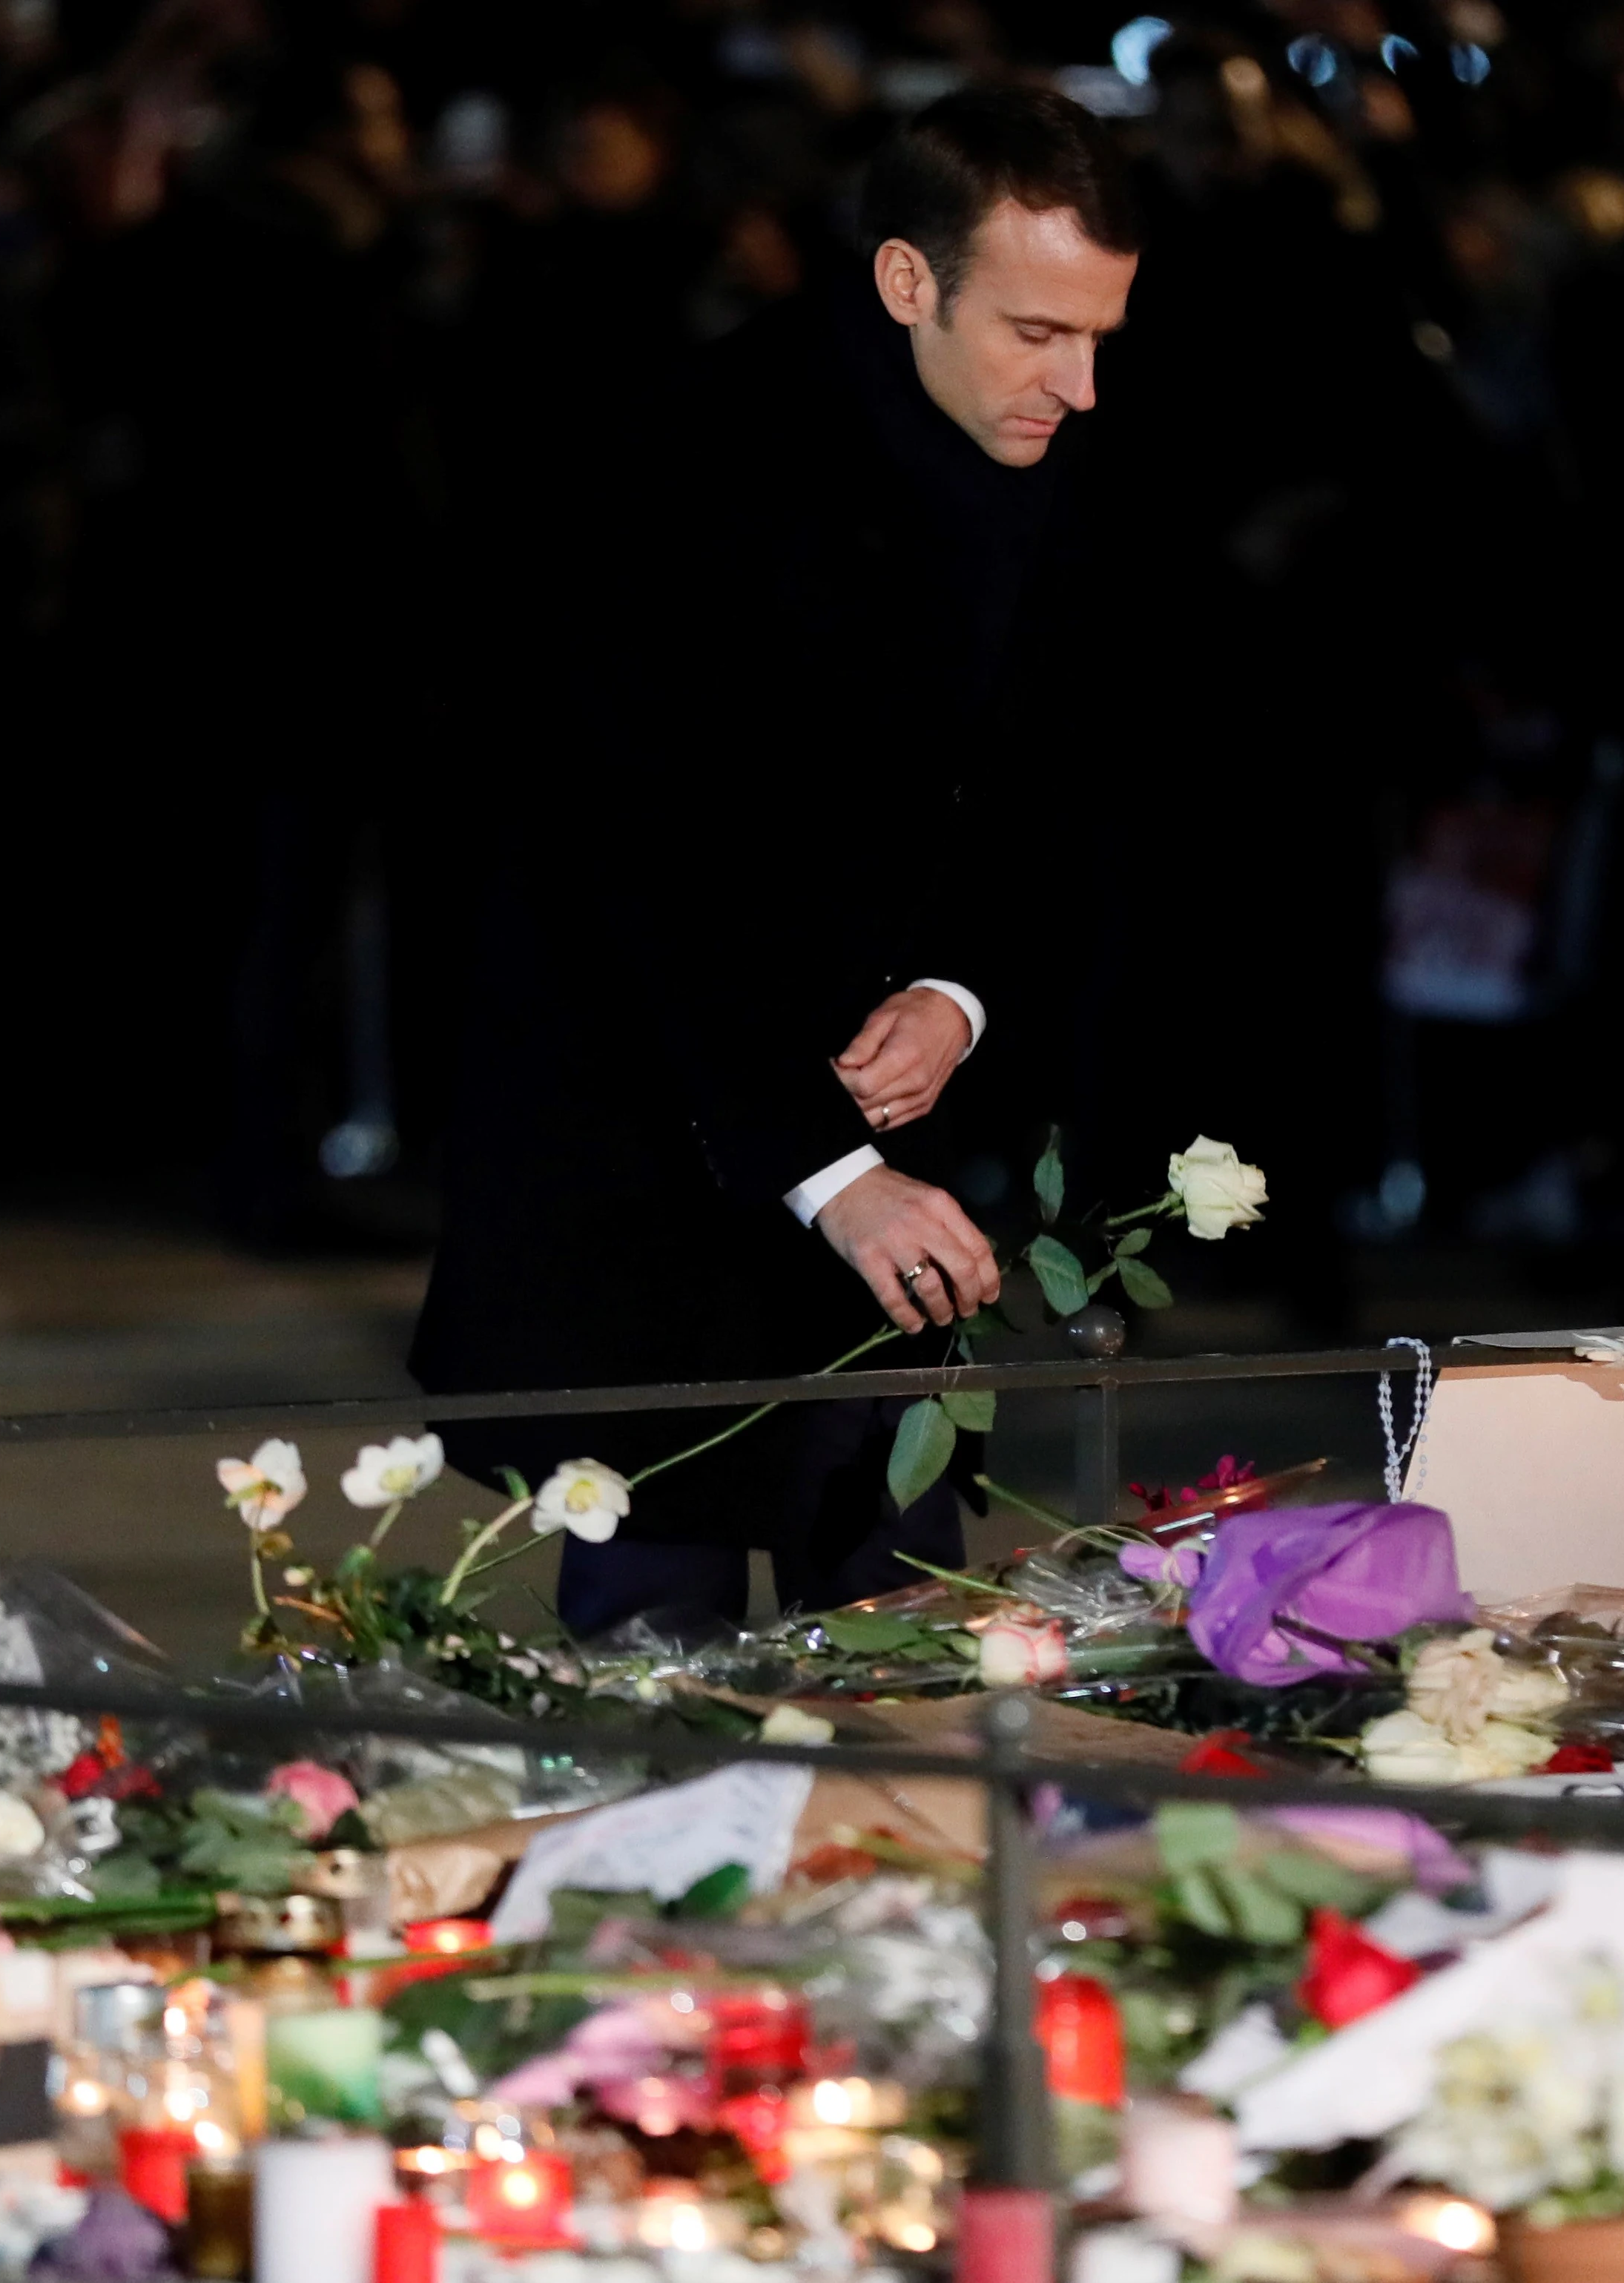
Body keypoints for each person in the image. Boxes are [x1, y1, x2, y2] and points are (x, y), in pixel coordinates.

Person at [410, 85, 1147, 1637]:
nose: (1078, 386)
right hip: (652, 1151)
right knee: (655, 1665)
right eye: (1036, 331)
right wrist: (833, 1170)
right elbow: (643, 876)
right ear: (905, 281)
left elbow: (1047, 785)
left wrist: (959, 992)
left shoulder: (1034, 453)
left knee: (905, 1636)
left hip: (872, 1170)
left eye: (1100, 335)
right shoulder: (689, 465)